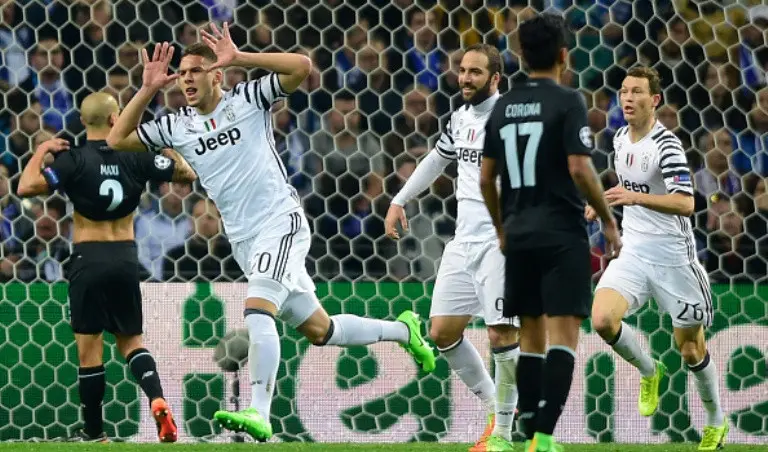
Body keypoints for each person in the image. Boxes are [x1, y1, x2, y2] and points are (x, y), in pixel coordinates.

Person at [105, 25, 436, 442]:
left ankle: (260, 413)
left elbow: (301, 66)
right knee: (322, 330)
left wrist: (240, 57)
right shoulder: (177, 125)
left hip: (280, 222)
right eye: (181, 73)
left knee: (258, 312)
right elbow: (117, 139)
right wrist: (148, 88)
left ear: (216, 75)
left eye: (195, 71)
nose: (186, 79)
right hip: (244, 239)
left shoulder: (246, 99)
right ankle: (404, 330)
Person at [16, 92, 197, 443]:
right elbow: (185, 174)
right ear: (117, 119)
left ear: (83, 122)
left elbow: (26, 186)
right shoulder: (135, 156)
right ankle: (157, 398)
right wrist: (165, 145)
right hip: (126, 258)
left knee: (90, 350)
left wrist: (42, 151)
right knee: (131, 342)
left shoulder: (72, 160)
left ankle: (95, 433)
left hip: (88, 257)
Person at [480, 14, 621, 452]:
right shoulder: (567, 101)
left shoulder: (502, 105)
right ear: (564, 55)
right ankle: (542, 436)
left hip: (519, 234)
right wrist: (608, 219)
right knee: (564, 338)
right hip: (561, 233)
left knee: (530, 336)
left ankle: (524, 425)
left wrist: (503, 228)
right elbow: (580, 168)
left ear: (520, 56)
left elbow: (486, 179)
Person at [385, 43, 520, 452]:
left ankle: (505, 434)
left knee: (501, 334)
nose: (465, 78)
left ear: (495, 79)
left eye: (476, 72)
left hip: (502, 240)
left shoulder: (511, 117)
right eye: (462, 70)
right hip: (463, 241)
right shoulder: (460, 117)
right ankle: (498, 410)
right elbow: (436, 161)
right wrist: (398, 200)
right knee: (442, 333)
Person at [588, 66, 728, 451]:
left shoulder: (667, 146)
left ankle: (715, 421)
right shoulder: (619, 138)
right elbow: (629, 184)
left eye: (637, 92)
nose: (628, 98)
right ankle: (650, 370)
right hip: (633, 251)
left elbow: (687, 202)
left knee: (691, 349)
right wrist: (603, 201)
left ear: (655, 100)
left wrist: (635, 198)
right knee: (601, 319)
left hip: (674, 260)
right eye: (623, 91)